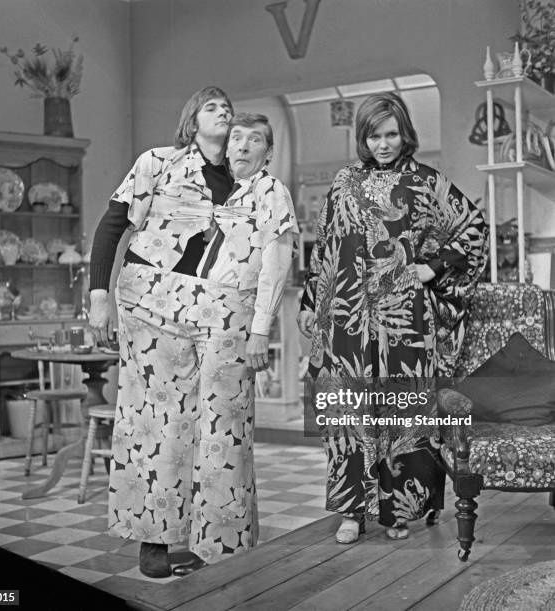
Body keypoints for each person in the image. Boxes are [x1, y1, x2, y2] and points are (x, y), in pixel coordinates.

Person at [89, 95, 298, 578]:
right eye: (211, 106)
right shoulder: (157, 163)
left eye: (229, 107)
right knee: (156, 423)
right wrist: (99, 293)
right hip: (151, 304)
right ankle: (155, 540)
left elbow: (273, 259)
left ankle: (222, 545)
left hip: (223, 312)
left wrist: (260, 328)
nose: (224, 112)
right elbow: (113, 225)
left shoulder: (254, 185)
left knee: (224, 428)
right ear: (191, 120)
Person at [297, 92, 488, 543]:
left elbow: (473, 227)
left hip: (406, 323)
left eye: (391, 134)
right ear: (362, 138)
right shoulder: (343, 182)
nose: (383, 144)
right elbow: (324, 246)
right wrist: (310, 303)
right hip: (346, 321)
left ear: (405, 133)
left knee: (405, 414)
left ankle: (398, 510)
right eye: (373, 135)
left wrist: (434, 265)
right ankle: (350, 511)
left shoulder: (426, 181)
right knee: (347, 413)